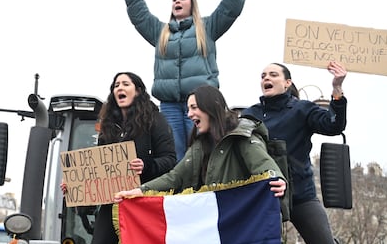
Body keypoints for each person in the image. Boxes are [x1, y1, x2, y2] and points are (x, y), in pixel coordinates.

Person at [118, 0, 246, 161]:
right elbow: (140, 16)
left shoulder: (206, 28)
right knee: (174, 153)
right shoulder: (161, 33)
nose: (177, 1)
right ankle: (179, 192)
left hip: (200, 102)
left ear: (192, 4)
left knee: (203, 149)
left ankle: (205, 191)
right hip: (169, 105)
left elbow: (230, 9)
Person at [241, 62, 347, 244]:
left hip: (300, 195)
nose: (266, 79)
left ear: (287, 82)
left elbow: (334, 125)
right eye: (263, 76)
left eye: (273, 75)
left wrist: (337, 88)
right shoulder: (249, 115)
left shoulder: (302, 109)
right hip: (265, 199)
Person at [67, 72, 176, 244]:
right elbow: (95, 170)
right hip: (114, 202)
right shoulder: (108, 128)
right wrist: (75, 186)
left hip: (144, 203)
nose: (119, 88)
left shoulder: (155, 120)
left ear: (139, 91)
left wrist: (146, 165)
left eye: (126, 84)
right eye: (116, 85)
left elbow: (170, 160)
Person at [114, 84, 286, 199]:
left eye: (194, 108)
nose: (189, 114)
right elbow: (175, 178)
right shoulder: (198, 146)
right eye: (188, 109)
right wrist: (138, 191)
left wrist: (278, 180)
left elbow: (265, 166)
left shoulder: (242, 136)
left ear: (212, 106)